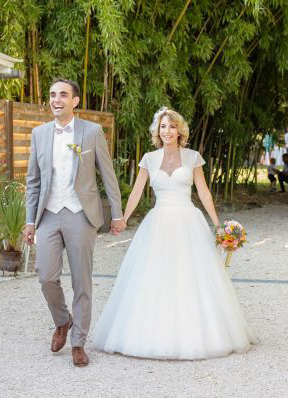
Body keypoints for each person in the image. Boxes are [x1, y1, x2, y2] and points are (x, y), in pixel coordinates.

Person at [90, 107, 257, 359]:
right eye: (162, 126)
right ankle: (149, 334)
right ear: (158, 131)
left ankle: (199, 335)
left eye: (171, 126)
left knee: (191, 275)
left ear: (180, 130)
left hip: (188, 220)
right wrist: (123, 218)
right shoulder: (148, 158)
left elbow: (204, 192)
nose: (166, 130)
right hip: (158, 221)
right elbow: (136, 192)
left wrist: (217, 225)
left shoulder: (192, 157)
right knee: (153, 275)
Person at [23, 78, 125, 367]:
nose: (57, 99)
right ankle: (62, 321)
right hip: (49, 214)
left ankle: (78, 343)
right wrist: (30, 221)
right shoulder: (39, 133)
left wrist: (116, 213)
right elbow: (33, 182)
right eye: (53, 94)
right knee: (45, 275)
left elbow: (108, 174)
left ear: (75, 101)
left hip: (81, 213)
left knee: (82, 280)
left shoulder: (91, 131)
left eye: (63, 95)